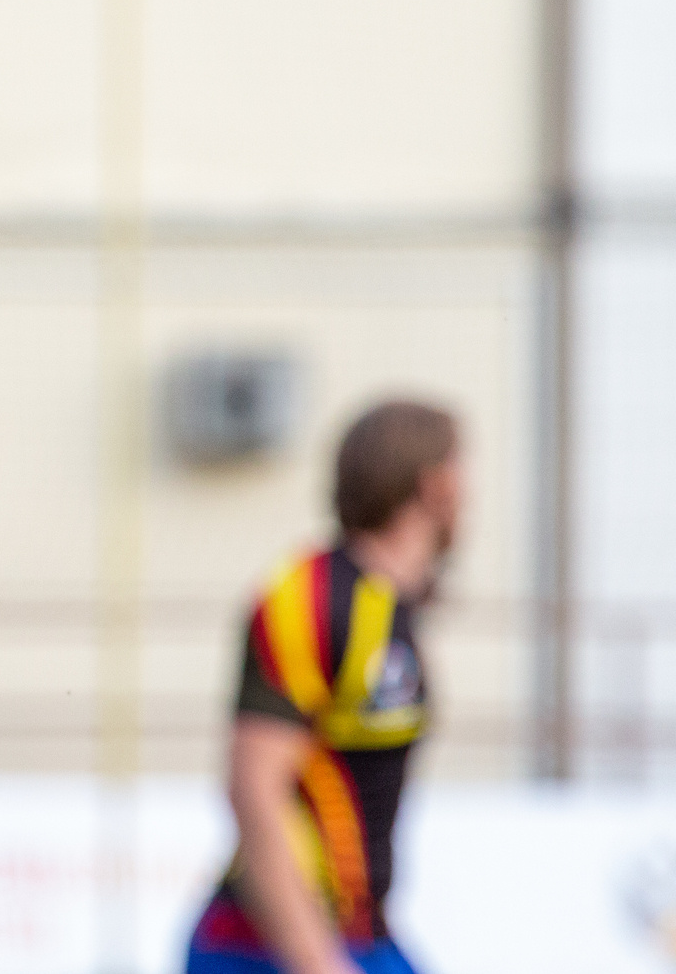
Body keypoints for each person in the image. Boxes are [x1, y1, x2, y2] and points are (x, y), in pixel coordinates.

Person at [186, 399, 463, 974]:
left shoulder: (394, 603)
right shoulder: (311, 598)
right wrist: (316, 961)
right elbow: (254, 789)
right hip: (259, 951)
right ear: (435, 486)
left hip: (361, 935)